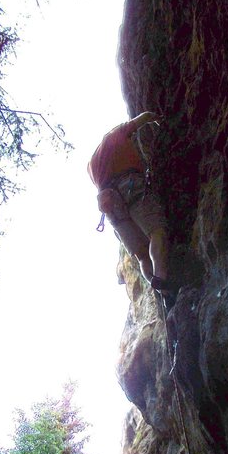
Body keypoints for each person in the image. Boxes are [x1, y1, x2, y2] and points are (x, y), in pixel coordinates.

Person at [88, 111, 175, 311]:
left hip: (109, 203)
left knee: (142, 255)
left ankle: (159, 291)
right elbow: (141, 119)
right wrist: (157, 118)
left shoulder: (91, 165)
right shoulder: (114, 135)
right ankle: (162, 281)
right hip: (129, 186)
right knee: (157, 232)